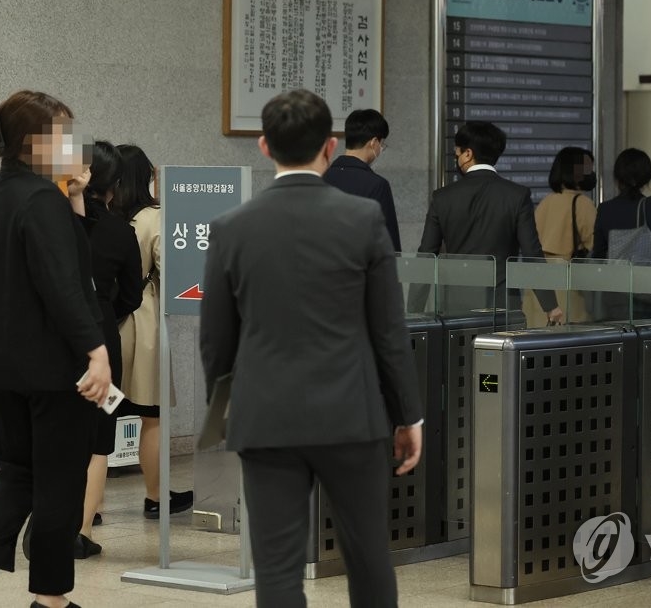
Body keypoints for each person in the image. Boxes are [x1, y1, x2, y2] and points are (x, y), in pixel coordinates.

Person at [200, 89, 423, 607]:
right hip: (352, 416)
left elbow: (216, 340)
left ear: (263, 146)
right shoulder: (363, 219)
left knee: (277, 570)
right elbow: (388, 331)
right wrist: (407, 414)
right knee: (368, 559)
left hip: (265, 418)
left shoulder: (231, 228)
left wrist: (229, 409)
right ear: (329, 145)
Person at [0, 90, 112, 608]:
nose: (75, 144)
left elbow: (63, 257)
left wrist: (74, 198)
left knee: (18, 467)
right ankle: (51, 599)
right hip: (53, 366)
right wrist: (96, 350)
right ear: (34, 143)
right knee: (60, 483)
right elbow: (63, 285)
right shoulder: (42, 199)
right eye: (65, 135)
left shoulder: (2, 192)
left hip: (1, 362)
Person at [112, 144, 194, 518]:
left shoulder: (102, 216)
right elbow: (170, 265)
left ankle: (91, 506)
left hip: (105, 326)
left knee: (102, 418)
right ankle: (156, 496)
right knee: (151, 415)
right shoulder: (152, 217)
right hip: (142, 324)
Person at [415, 121, 563, 322]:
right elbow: (532, 253)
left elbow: (426, 255)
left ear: (468, 154)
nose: (456, 159)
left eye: (457, 154)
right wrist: (550, 305)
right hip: (502, 303)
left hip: (455, 305)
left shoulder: (442, 197)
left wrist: (413, 310)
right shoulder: (517, 195)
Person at [75, 140, 143, 556]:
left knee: (59, 429)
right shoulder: (121, 232)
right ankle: (81, 531)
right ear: (114, 186)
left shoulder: (58, 221)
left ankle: (48, 521)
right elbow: (132, 296)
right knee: (100, 437)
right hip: (102, 334)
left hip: (58, 337)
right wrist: (107, 312)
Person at [591, 147, 651, 319]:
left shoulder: (605, 209)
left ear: (618, 176)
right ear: (646, 178)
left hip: (617, 296)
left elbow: (598, 255)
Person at [522, 147, 596, 325]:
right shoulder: (583, 203)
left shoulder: (546, 201)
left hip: (537, 281)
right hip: (567, 284)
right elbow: (594, 244)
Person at [323, 108, 401, 251]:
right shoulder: (377, 185)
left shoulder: (321, 178)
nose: (381, 149)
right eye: (381, 144)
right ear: (374, 142)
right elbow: (389, 244)